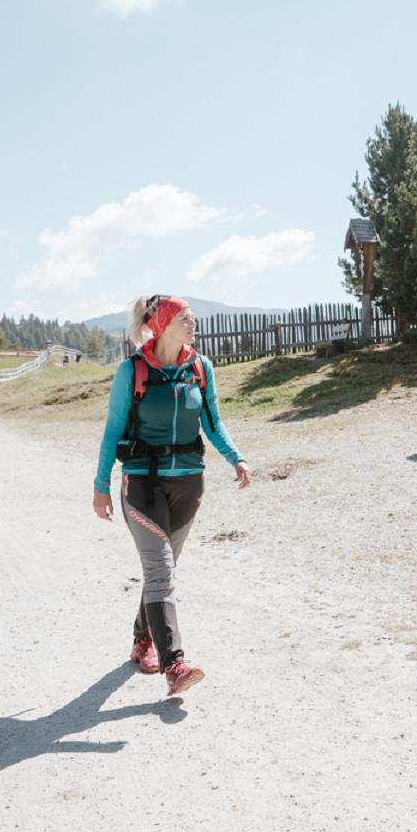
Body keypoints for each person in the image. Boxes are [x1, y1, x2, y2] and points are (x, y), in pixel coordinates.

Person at [93, 294, 251, 698]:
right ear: (162, 324)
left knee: (160, 571)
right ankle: (175, 664)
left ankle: (142, 641)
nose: (193, 325)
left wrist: (236, 458)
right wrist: (100, 486)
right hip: (141, 483)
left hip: (188, 485)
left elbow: (213, 422)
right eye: (185, 318)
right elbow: (112, 431)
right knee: (161, 570)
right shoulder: (133, 370)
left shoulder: (201, 368)